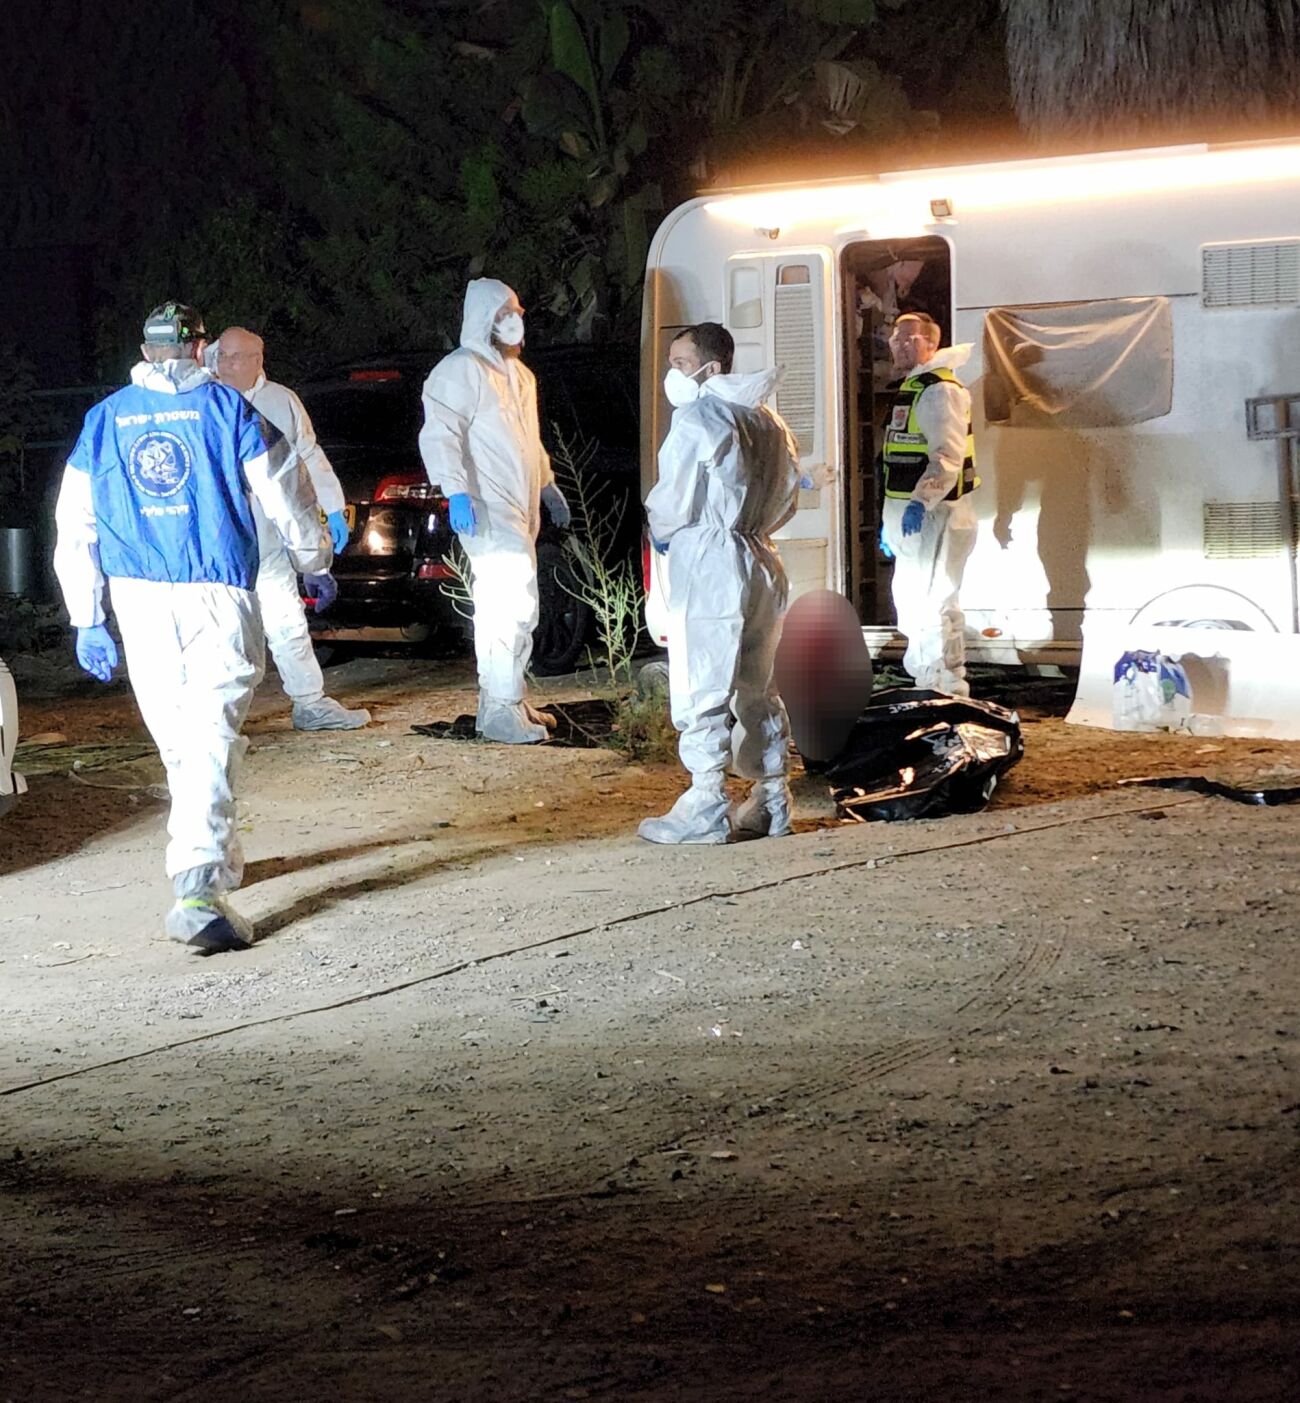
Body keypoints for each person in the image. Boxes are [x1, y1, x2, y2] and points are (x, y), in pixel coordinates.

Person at [53, 302, 332, 953]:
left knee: (183, 740)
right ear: (201, 350)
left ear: (145, 353)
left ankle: (216, 858)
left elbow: (74, 525)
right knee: (211, 732)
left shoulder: (105, 419)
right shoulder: (232, 410)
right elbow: (286, 489)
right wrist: (313, 558)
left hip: (138, 598)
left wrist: (87, 616)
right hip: (217, 592)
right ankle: (199, 889)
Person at [641, 322, 801, 844]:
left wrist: (663, 530)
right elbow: (787, 498)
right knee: (759, 684)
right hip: (761, 556)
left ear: (711, 367)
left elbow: (674, 498)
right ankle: (771, 800)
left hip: (711, 559)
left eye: (681, 363)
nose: (672, 373)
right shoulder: (769, 421)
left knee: (702, 683)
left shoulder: (699, 417)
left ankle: (706, 803)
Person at [417, 278, 569, 743]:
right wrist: (455, 490)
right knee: (511, 602)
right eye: (505, 313)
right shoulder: (459, 371)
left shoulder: (520, 376)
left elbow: (528, 439)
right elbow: (440, 433)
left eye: (517, 311)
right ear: (485, 319)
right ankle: (503, 706)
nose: (516, 320)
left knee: (508, 604)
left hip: (519, 504)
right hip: (484, 504)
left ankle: (504, 700)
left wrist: (547, 483)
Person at [209, 326, 369, 731]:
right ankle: (217, 718)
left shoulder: (280, 401)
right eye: (222, 355)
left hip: (268, 538)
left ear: (257, 360)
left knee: (287, 624)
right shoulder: (205, 400)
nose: (225, 363)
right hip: (220, 542)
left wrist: (333, 507)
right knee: (223, 632)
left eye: (235, 357)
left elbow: (306, 457)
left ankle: (309, 702)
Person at [879, 311, 979, 697]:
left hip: (934, 516)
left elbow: (946, 457)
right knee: (925, 602)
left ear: (932, 344)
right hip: (918, 518)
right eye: (896, 338)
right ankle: (938, 685)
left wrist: (920, 502)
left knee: (929, 604)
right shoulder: (918, 386)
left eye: (911, 339)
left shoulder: (938, 390)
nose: (899, 344)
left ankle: (939, 690)